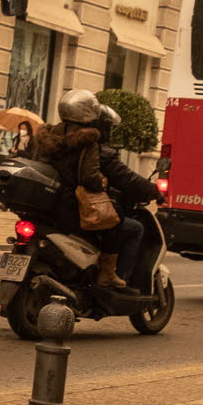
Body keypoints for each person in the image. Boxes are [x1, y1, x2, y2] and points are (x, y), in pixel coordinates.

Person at [36, 90, 154, 295]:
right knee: (125, 224)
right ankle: (109, 274)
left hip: (49, 207)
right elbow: (90, 178)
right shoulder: (88, 142)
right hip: (75, 208)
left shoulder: (47, 138)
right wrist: (101, 182)